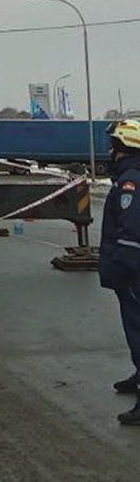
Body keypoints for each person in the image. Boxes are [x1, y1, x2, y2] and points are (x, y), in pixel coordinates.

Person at [99, 118, 140, 425]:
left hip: (134, 271)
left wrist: (123, 270)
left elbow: (131, 232)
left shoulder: (131, 182)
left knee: (139, 330)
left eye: (113, 146)